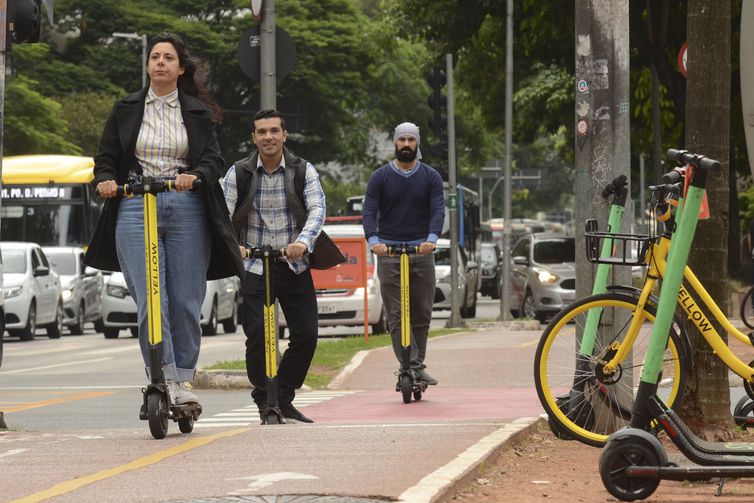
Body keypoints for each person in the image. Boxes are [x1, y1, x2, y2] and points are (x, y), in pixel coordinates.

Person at [84, 33, 243, 407]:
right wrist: (106, 180)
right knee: (150, 302)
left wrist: (197, 176)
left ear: (180, 68)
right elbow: (105, 157)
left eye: (168, 58)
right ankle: (163, 377)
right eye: (154, 57)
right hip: (136, 205)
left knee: (186, 301)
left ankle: (183, 381)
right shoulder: (126, 108)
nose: (159, 63)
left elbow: (213, 161)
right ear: (148, 65)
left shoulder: (197, 113)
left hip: (185, 206)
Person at [222, 109, 339, 424]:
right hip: (256, 266)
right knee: (258, 334)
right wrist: (238, 248)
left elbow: (317, 208)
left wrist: (303, 242)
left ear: (284, 135)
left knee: (307, 334)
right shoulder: (239, 173)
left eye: (274, 131)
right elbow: (223, 215)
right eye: (261, 132)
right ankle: (264, 398)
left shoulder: (303, 170)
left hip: (294, 264)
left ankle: (283, 394)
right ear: (254, 137)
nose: (268, 137)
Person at [362, 122, 445, 386]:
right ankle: (407, 366)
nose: (406, 144)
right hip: (389, 252)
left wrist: (431, 239)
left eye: (411, 139)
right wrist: (374, 240)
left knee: (421, 312)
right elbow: (369, 212)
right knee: (396, 314)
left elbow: (438, 212)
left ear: (417, 143)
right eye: (402, 140)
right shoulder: (380, 177)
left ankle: (417, 367)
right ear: (395, 143)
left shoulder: (430, 177)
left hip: (422, 250)